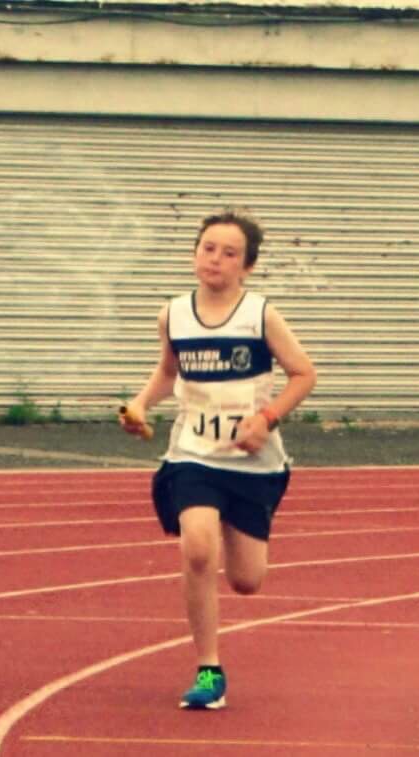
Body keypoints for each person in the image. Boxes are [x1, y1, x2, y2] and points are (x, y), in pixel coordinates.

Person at [119, 208, 316, 710]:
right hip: (193, 454)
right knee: (198, 549)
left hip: (252, 462)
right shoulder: (173, 314)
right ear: (194, 254)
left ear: (246, 267)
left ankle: (231, 519)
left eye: (229, 253)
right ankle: (209, 669)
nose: (215, 259)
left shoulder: (260, 315)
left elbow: (304, 374)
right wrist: (140, 404)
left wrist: (266, 418)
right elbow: (168, 373)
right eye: (208, 248)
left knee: (247, 581)